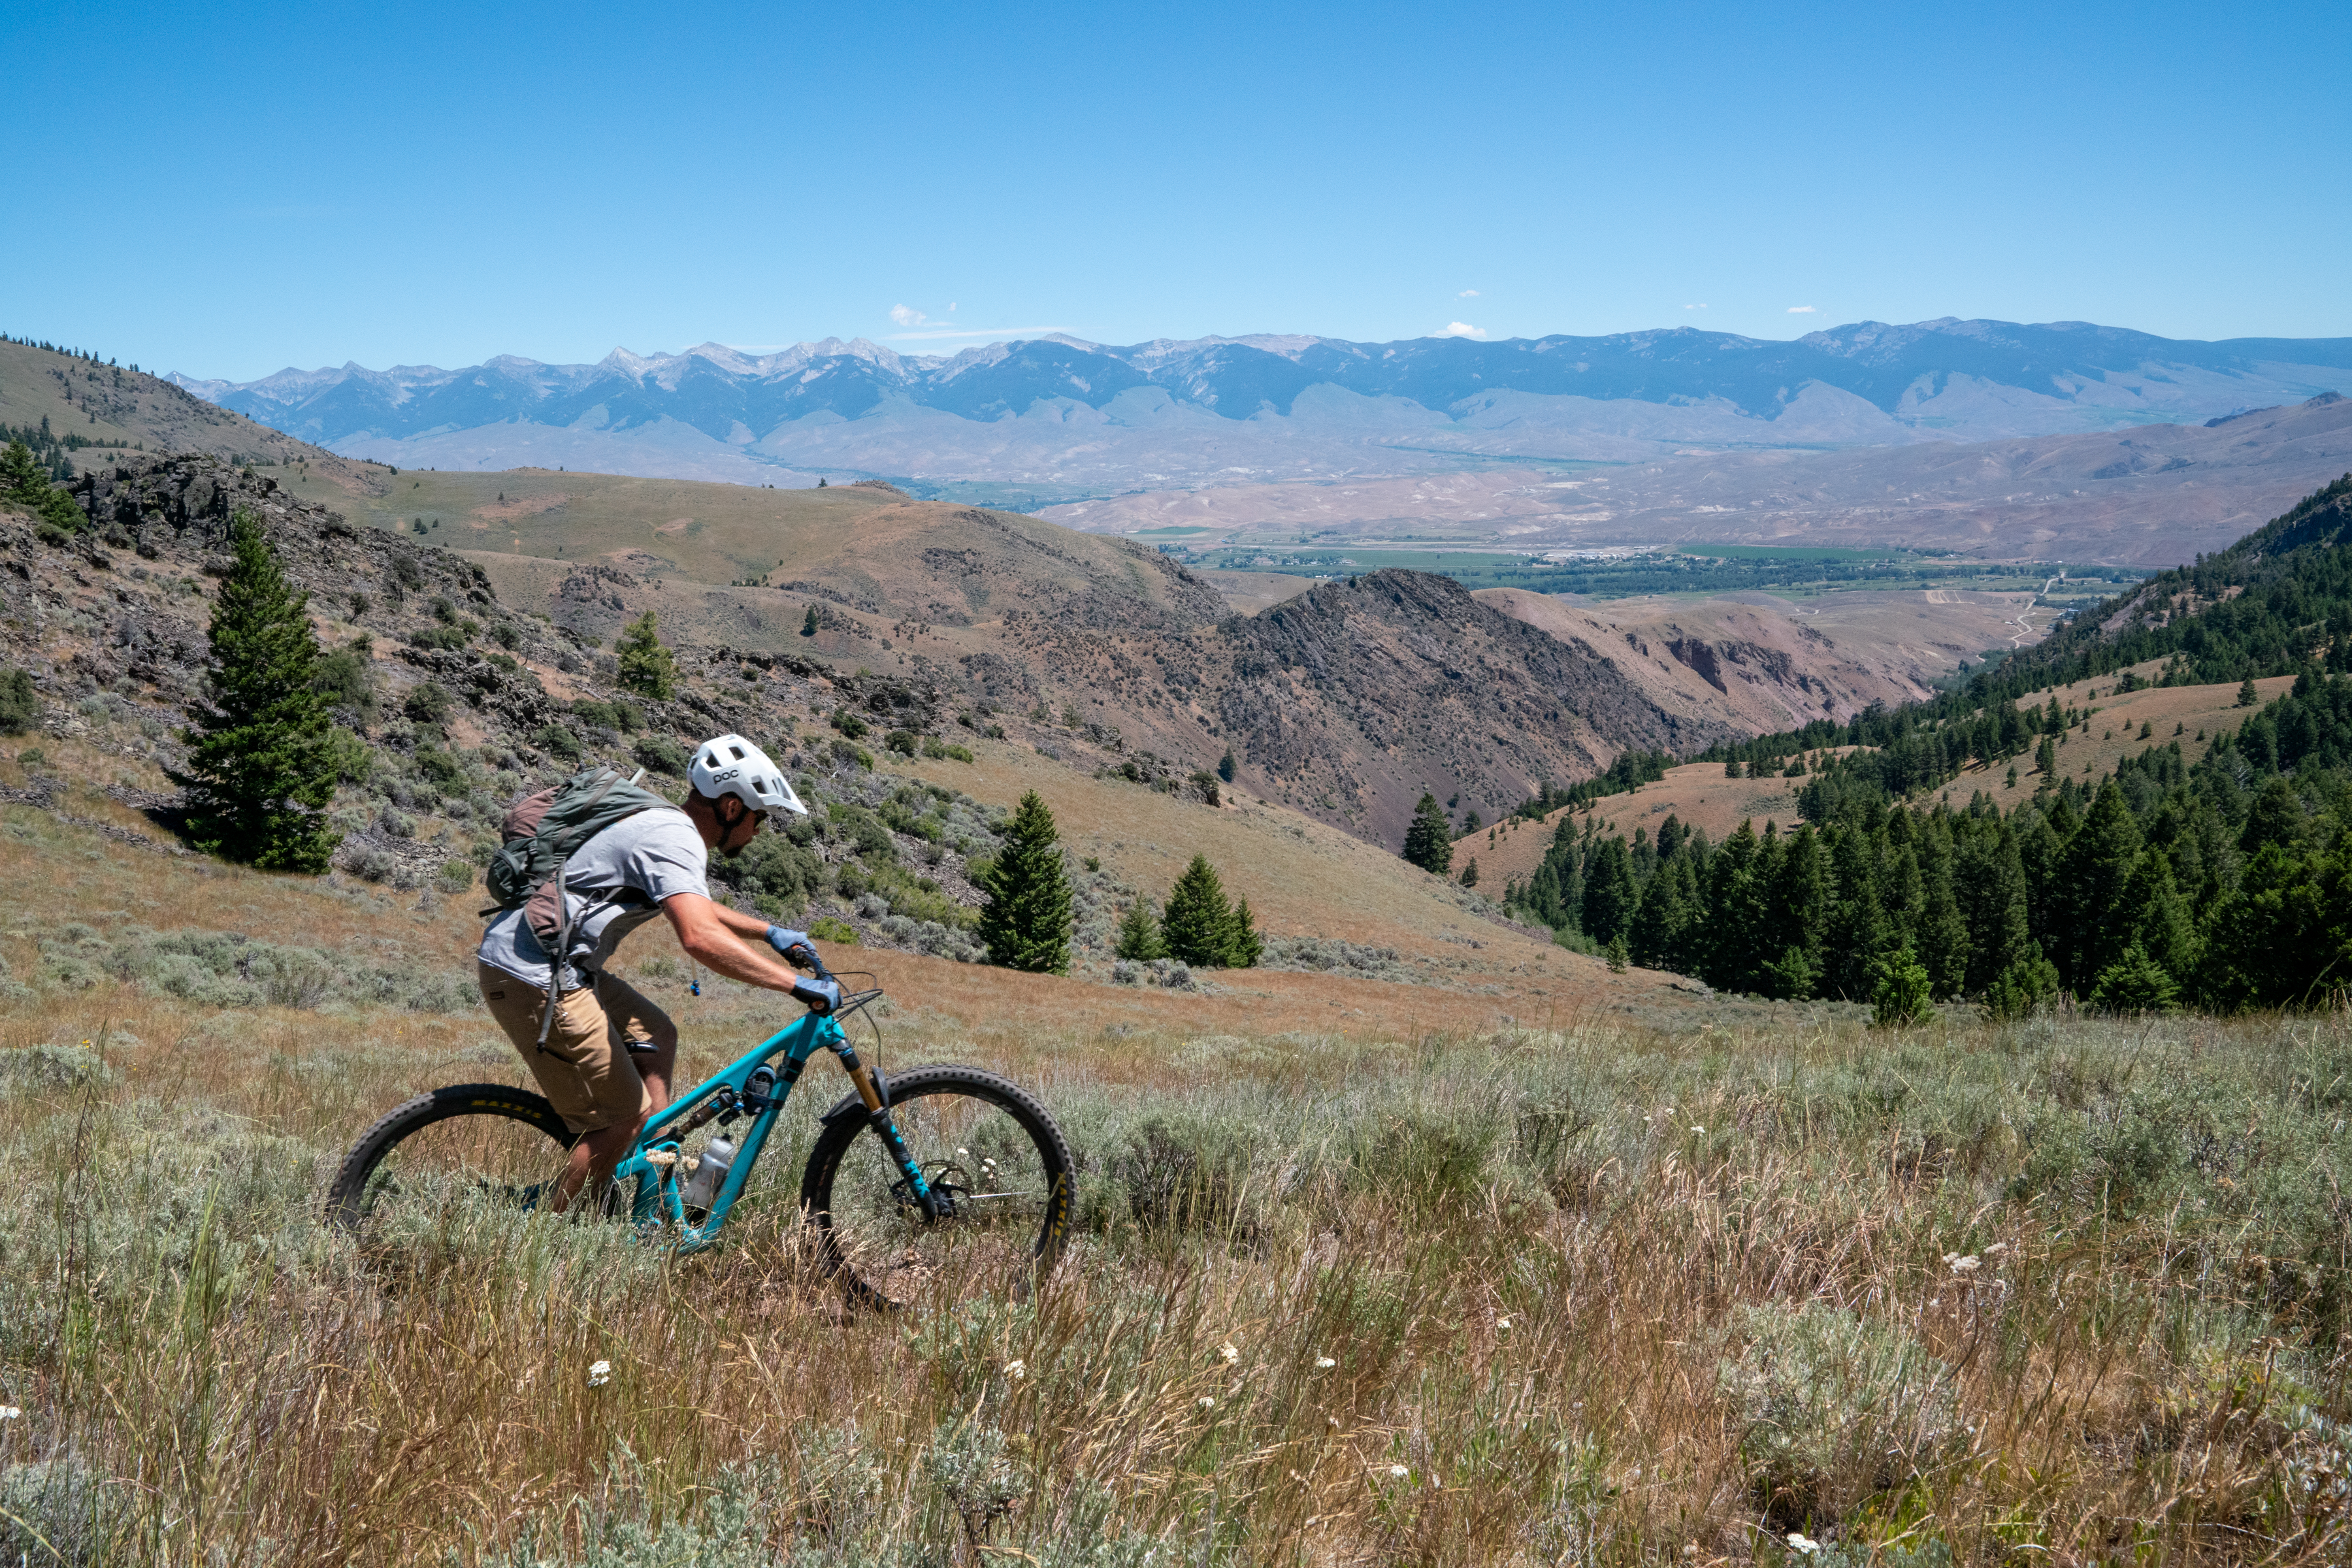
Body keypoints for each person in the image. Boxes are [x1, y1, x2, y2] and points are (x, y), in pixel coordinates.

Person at [476, 733, 840, 1211]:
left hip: (557, 961)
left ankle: (650, 1179)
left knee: (657, 1033)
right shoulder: (677, 838)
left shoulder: (666, 827)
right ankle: (544, 1234)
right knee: (621, 1118)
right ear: (732, 808)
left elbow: (699, 908)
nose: (759, 830)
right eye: (760, 817)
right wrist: (795, 985)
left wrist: (771, 933)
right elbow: (699, 936)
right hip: (537, 972)